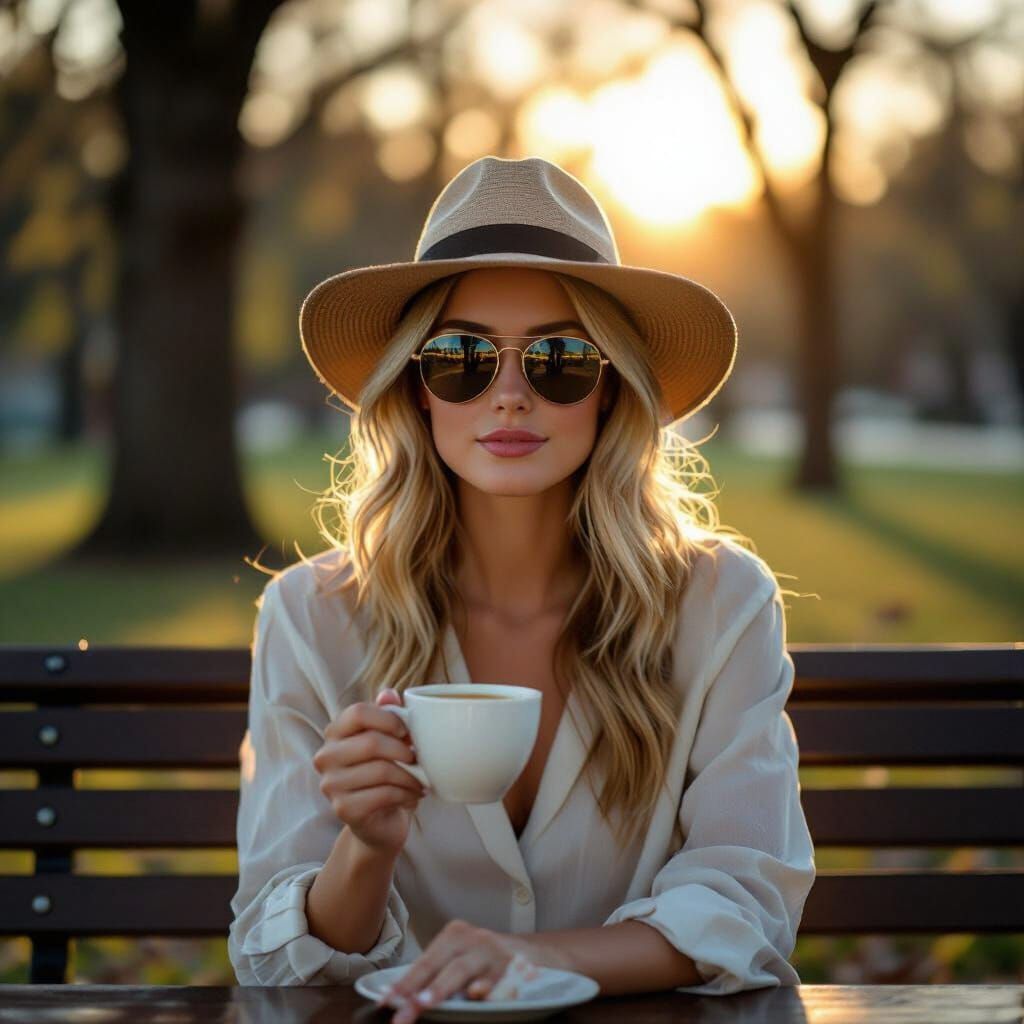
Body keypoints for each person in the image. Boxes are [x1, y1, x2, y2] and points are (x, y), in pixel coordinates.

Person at [227, 156, 816, 1019]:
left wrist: (531, 959)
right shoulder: (310, 619)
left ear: (610, 389)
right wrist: (365, 846)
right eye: (463, 357)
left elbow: (746, 902)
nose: (508, 396)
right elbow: (276, 958)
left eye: (560, 359)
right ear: (420, 392)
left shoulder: (722, 605)